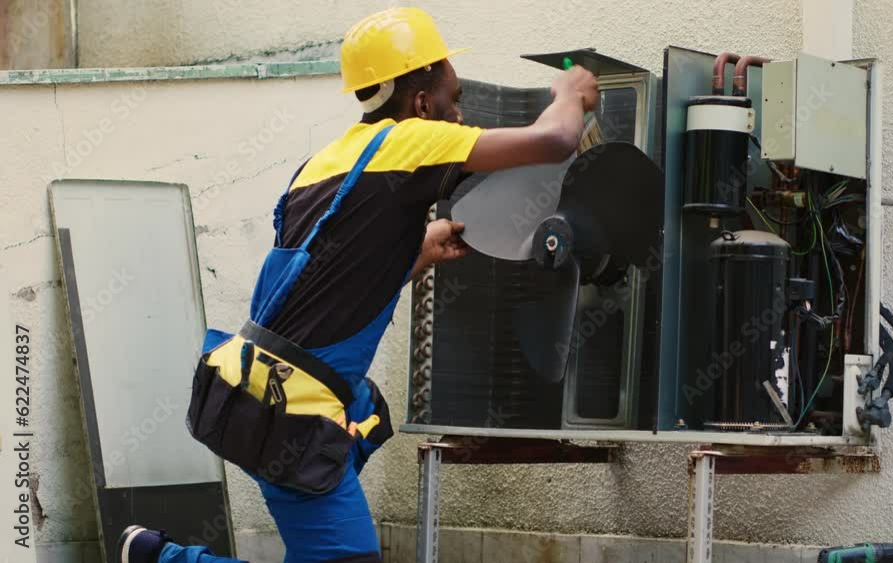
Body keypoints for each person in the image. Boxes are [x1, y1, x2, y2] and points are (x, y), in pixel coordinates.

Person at [119, 6, 597, 563]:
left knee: (348, 482)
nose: (461, 114)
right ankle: (160, 559)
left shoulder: (326, 163)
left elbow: (324, 285)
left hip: (256, 391)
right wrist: (571, 91)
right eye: (454, 98)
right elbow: (555, 139)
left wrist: (416, 252)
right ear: (422, 104)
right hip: (291, 414)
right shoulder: (410, 142)